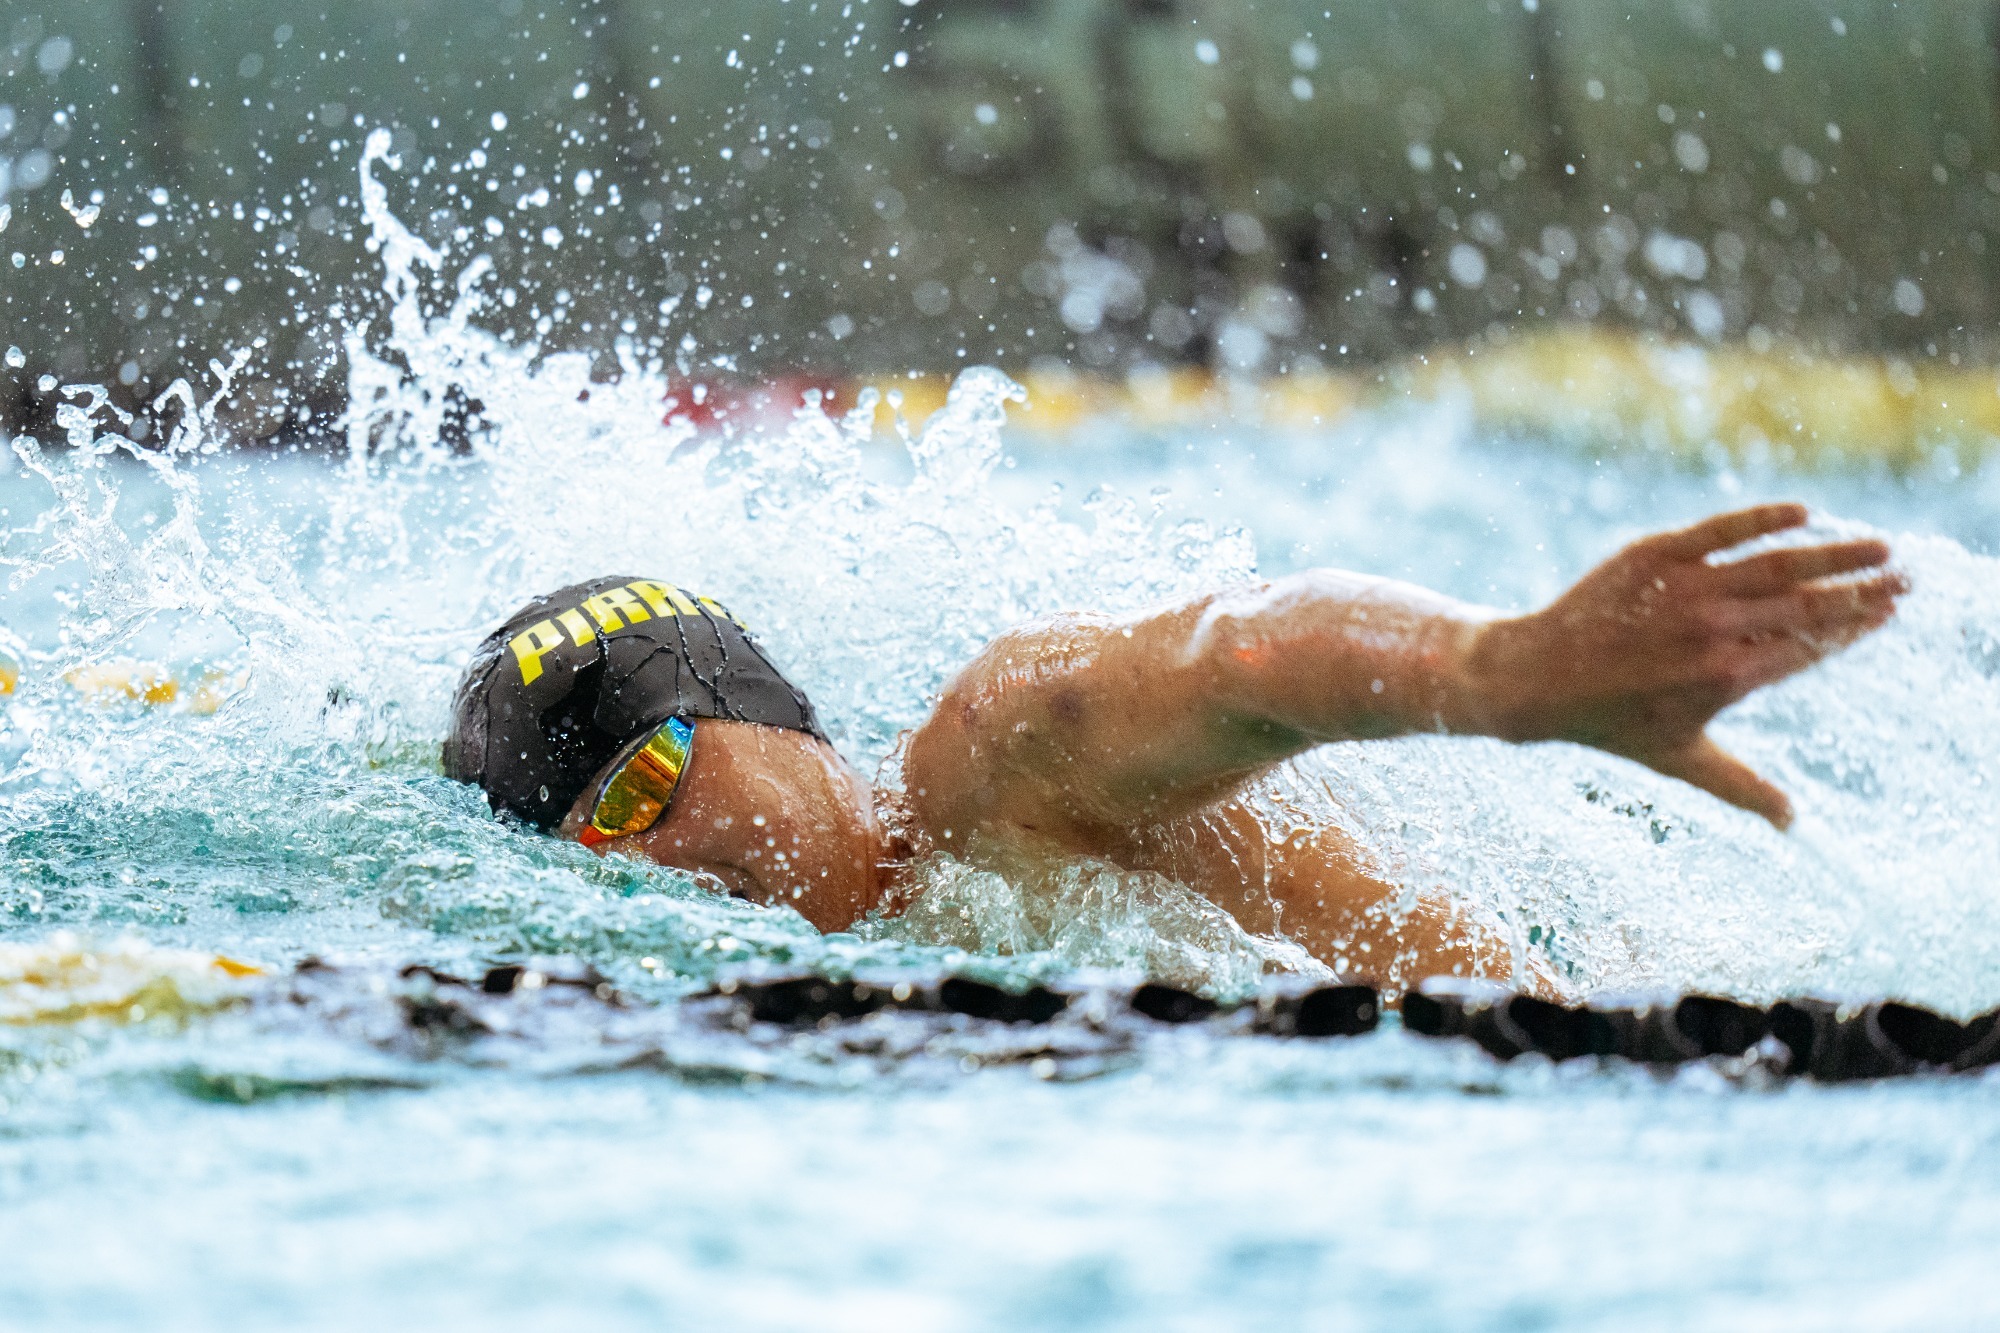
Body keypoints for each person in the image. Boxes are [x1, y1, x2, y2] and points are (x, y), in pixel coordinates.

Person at [443, 503, 1903, 992]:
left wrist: (1501, 669)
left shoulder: (995, 762)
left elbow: (1243, 656)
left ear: (756, 709)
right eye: (597, 853)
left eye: (645, 786)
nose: (656, 875)